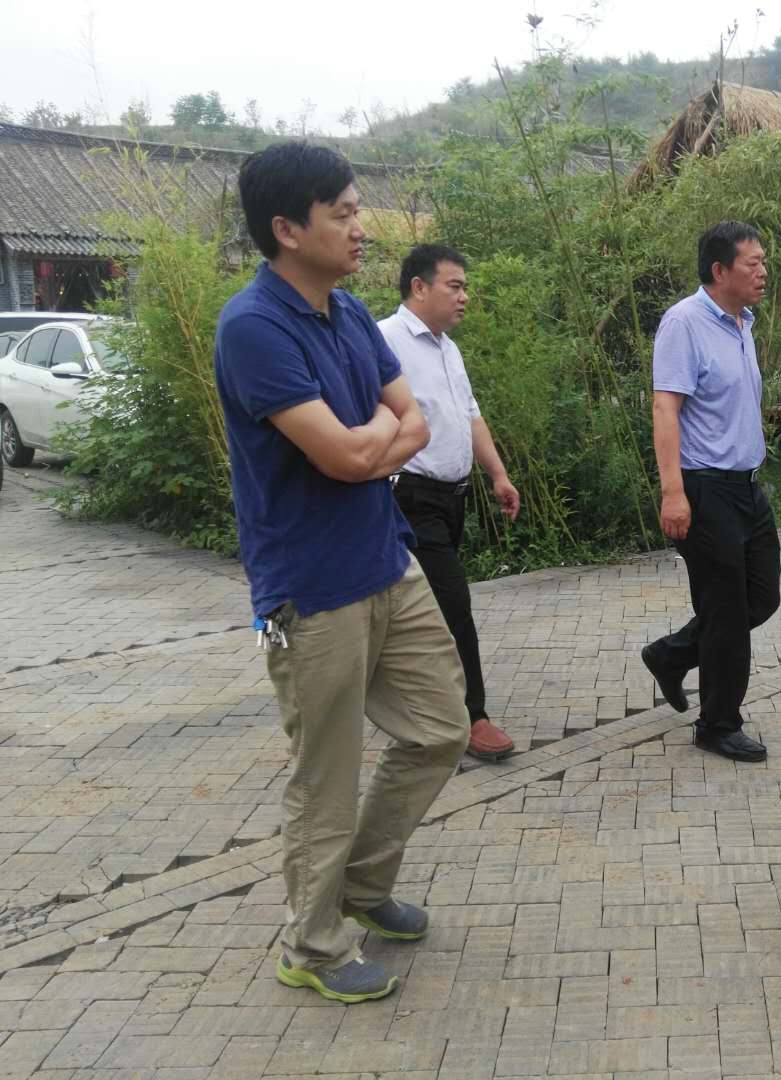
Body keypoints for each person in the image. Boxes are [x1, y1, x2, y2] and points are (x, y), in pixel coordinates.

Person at [214, 143, 468, 1003]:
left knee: (441, 729)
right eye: (344, 214)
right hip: (305, 592)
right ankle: (313, 946)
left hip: (385, 562)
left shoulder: (352, 313)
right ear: (287, 229)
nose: (362, 228)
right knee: (324, 778)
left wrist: (370, 444)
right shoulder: (254, 328)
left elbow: (408, 427)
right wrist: (374, 443)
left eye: (359, 210)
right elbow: (351, 454)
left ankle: (360, 886)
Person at [641, 221, 780, 764]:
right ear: (720, 270)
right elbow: (665, 408)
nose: (763, 272)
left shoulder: (743, 323)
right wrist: (672, 492)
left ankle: (673, 654)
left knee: (761, 597)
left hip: (746, 487)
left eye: (763, 262)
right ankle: (717, 724)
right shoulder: (685, 323)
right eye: (753, 263)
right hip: (703, 487)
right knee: (726, 615)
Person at [378, 245, 519, 763]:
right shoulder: (384, 340)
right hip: (408, 496)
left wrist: (498, 474)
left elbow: (470, 416)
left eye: (465, 287)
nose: (464, 296)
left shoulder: (448, 349)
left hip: (452, 497)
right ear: (419, 287)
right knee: (454, 602)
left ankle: (403, 699)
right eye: (454, 286)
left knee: (418, 608)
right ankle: (471, 716)